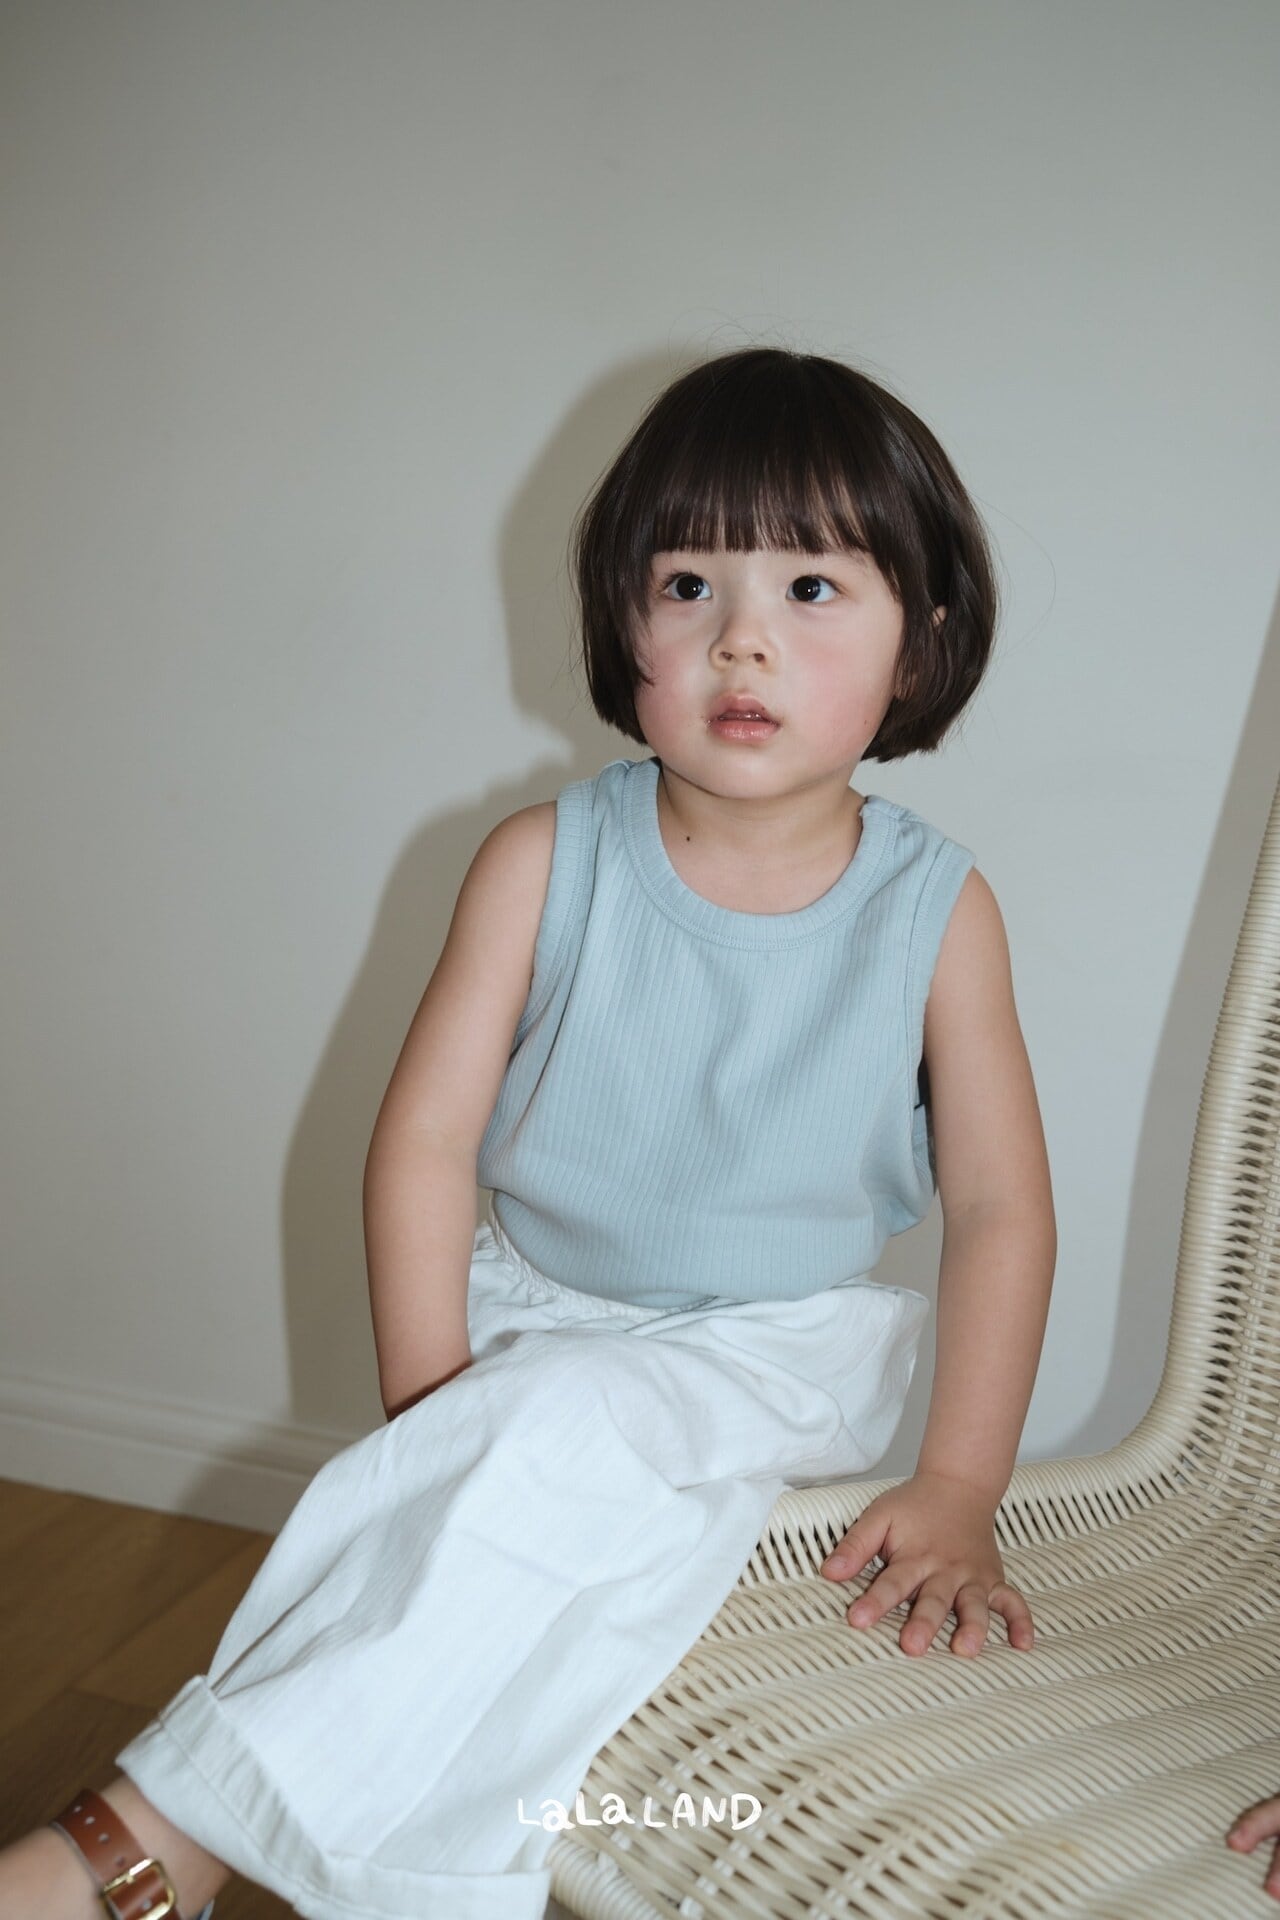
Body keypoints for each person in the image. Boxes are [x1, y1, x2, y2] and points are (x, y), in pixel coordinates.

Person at [0, 346, 1059, 1920]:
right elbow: (426, 1143)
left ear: (928, 643)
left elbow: (999, 1210)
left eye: (812, 588)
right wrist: (434, 1402)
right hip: (532, 1316)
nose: (743, 635)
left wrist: (964, 1480)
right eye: (687, 584)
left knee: (561, 1432)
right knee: (539, 1573)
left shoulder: (937, 911)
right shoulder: (542, 859)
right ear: (621, 625)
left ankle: (134, 1852)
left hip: (777, 1349)